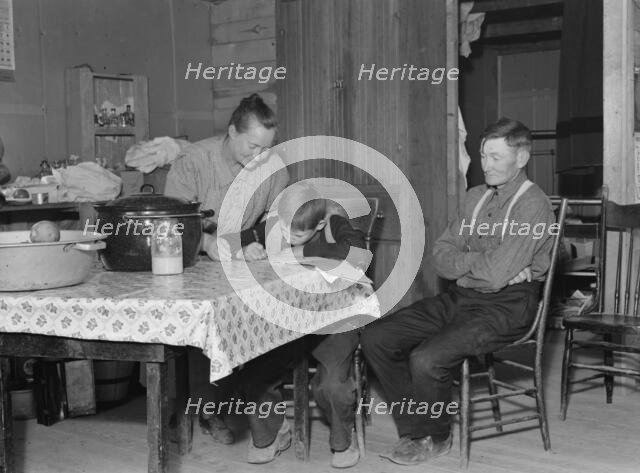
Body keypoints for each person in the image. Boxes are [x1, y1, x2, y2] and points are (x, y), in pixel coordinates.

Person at [361, 117, 556, 465]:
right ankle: (415, 428)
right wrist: (481, 263)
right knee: (377, 336)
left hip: (508, 307)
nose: (486, 164)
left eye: (496, 157)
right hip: (463, 297)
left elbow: (496, 276)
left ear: (522, 158)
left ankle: (436, 437)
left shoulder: (534, 205)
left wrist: (471, 262)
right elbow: (440, 257)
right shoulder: (474, 197)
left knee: (427, 358)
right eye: (483, 155)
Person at [161, 94, 289, 444]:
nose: (260, 156)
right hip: (189, 258)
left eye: (267, 148)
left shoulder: (272, 167)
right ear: (231, 132)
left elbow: (276, 219)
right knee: (205, 325)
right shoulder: (194, 161)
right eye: (252, 146)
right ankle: (205, 408)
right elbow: (170, 221)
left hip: (236, 257)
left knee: (260, 313)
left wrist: (260, 244)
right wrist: (205, 244)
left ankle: (252, 406)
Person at [222, 183, 369, 468]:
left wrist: (297, 254)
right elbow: (228, 241)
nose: (289, 237)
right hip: (288, 321)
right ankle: (273, 433)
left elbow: (356, 252)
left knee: (331, 385)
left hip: (334, 319)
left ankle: (343, 440)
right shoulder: (283, 223)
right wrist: (246, 249)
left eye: (298, 234)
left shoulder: (336, 222)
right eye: (286, 231)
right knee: (253, 374)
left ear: (321, 224)